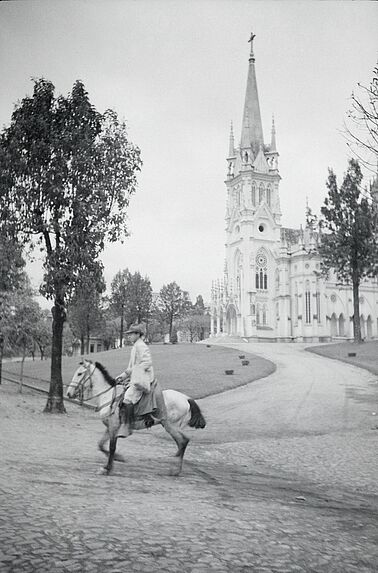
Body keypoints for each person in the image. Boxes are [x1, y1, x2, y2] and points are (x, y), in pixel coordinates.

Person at [116, 324, 154, 438]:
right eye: (128, 335)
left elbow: (147, 363)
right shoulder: (136, 346)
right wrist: (123, 376)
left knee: (128, 397)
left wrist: (130, 373)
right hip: (136, 376)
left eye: (131, 334)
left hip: (142, 378)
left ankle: (126, 427)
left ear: (138, 334)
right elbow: (131, 366)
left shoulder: (141, 346)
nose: (129, 336)